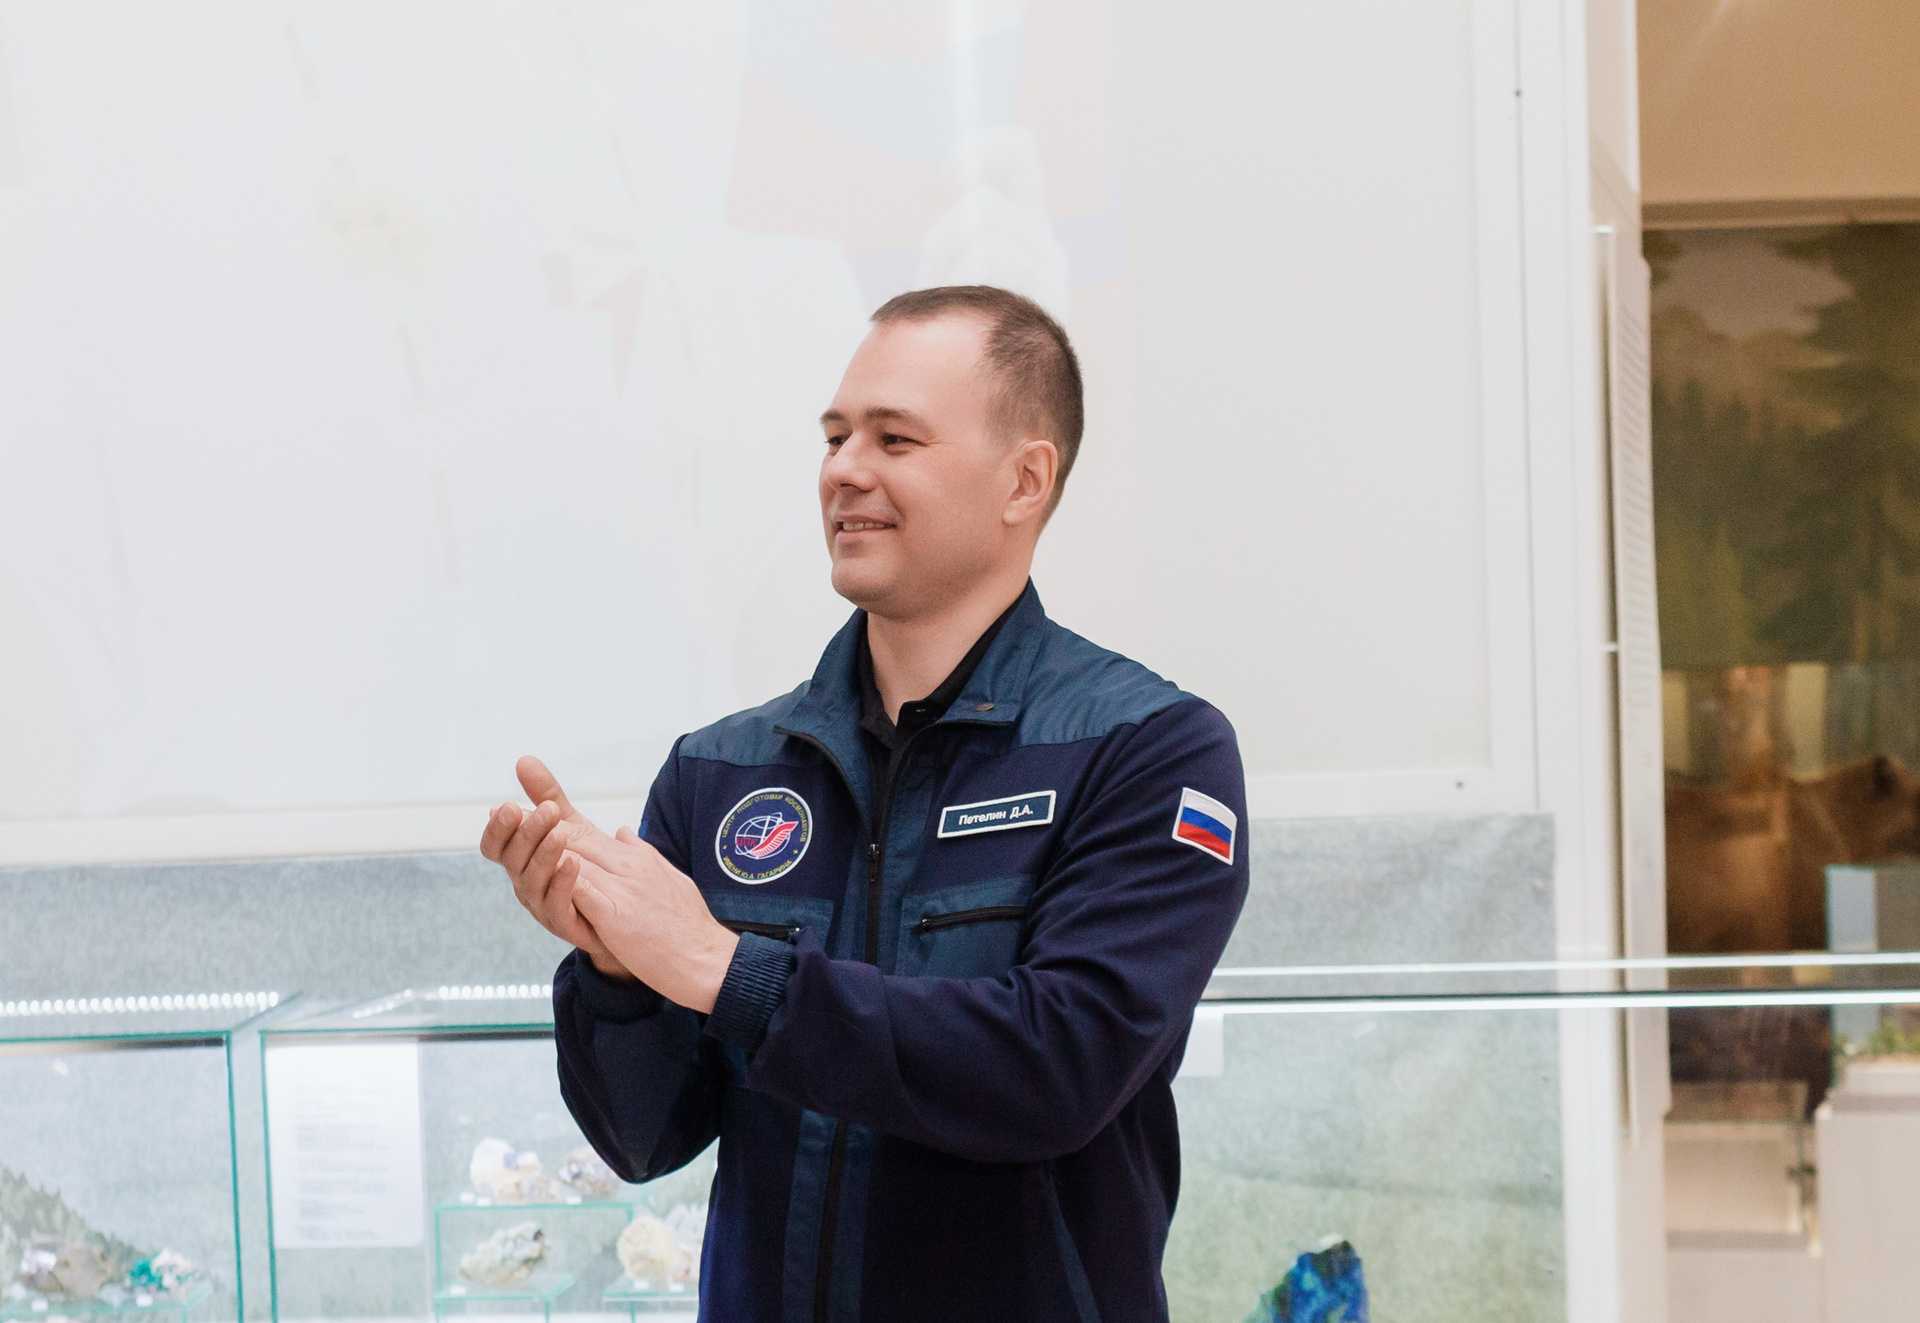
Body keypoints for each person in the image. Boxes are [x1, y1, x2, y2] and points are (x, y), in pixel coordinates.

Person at [481, 285, 1249, 1323]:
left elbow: (1057, 1066)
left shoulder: (1149, 751)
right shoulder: (721, 770)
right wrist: (618, 975)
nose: (844, 468)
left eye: (895, 439)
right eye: (836, 435)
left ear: (1025, 480)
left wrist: (726, 971)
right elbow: (642, 1138)